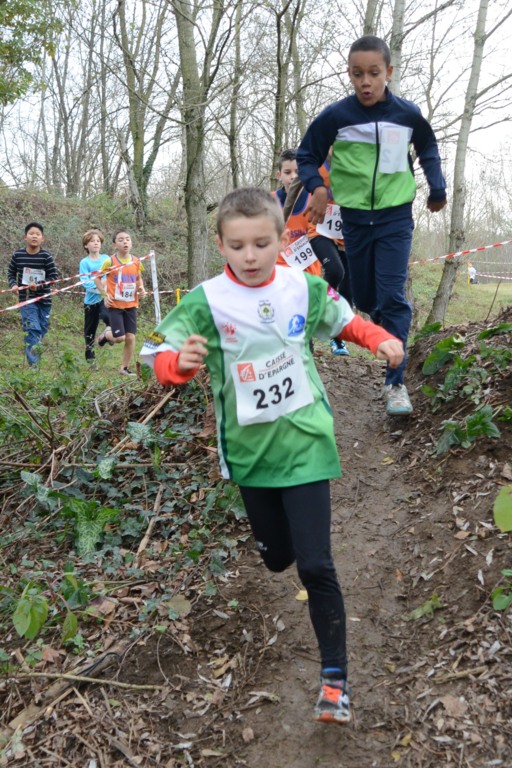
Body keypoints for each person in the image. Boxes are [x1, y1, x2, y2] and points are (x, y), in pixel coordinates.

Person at [139, 187, 404, 724]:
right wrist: (179, 365)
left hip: (306, 442)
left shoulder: (301, 287)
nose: (251, 255)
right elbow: (159, 354)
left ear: (282, 239)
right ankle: (281, 554)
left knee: (316, 564)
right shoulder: (206, 301)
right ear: (221, 245)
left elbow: (344, 319)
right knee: (278, 559)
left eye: (262, 243)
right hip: (249, 455)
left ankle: (335, 682)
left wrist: (378, 338)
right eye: (238, 246)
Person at [296, 34, 447, 415]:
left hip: (396, 216)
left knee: (393, 297)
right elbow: (307, 155)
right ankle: (386, 325)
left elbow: (428, 147)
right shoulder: (337, 116)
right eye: (357, 74)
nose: (365, 82)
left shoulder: (407, 114)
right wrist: (317, 188)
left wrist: (437, 186)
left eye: (374, 73)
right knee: (365, 298)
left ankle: (395, 383)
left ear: (388, 72)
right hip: (354, 219)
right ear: (349, 74)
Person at [275, 148, 350, 356]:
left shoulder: (315, 196)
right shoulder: (271, 201)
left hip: (310, 268)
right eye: (288, 172)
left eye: (297, 172)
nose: (293, 177)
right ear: (279, 174)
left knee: (343, 288)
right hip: (281, 269)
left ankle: (324, 338)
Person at [94, 229, 145, 376]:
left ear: (131, 243)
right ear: (114, 245)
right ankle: (106, 335)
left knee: (130, 337)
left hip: (131, 305)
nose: (125, 242)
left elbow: (138, 279)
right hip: (115, 306)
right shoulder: (110, 261)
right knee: (119, 338)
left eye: (127, 239)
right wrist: (104, 295)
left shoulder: (136, 261)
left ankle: (124, 368)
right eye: (121, 240)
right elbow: (97, 278)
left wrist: (141, 288)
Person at [7, 222, 58, 367]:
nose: (34, 236)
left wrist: (40, 284)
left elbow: (53, 277)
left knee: (41, 329)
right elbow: (11, 273)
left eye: (37, 234)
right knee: (32, 328)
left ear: (42, 238)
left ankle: (34, 357)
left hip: (44, 300)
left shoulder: (46, 256)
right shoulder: (18, 255)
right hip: (26, 300)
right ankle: (34, 366)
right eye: (31, 234)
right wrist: (13, 285)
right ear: (25, 237)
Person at [79, 228, 111, 363]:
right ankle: (90, 358)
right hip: (91, 301)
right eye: (92, 241)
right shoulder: (84, 262)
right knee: (90, 331)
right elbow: (85, 282)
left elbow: (112, 275)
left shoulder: (106, 259)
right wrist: (99, 285)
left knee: (110, 319)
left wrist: (105, 285)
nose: (96, 243)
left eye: (98, 241)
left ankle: (105, 337)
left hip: (105, 297)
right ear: (86, 245)